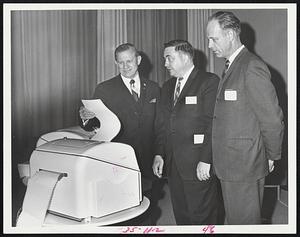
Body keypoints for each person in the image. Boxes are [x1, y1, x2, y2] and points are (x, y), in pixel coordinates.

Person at [206, 11, 284, 224]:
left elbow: (272, 118)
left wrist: (271, 155)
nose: (210, 45)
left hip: (244, 165)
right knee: (235, 220)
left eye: (214, 38)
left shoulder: (251, 66)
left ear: (230, 34)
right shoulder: (233, 65)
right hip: (231, 164)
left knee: (244, 223)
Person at [79, 43, 162, 225]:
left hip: (148, 162)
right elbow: (92, 125)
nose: (125, 66)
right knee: (122, 213)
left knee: (148, 210)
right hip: (117, 163)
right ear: (116, 63)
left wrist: (160, 154)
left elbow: (160, 126)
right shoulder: (104, 89)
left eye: (129, 61)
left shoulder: (155, 88)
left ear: (138, 60)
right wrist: (85, 117)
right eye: (121, 62)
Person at [152, 39, 221, 225]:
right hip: (174, 165)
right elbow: (162, 125)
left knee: (202, 216)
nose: (165, 64)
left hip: (199, 162)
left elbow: (212, 124)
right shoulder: (167, 87)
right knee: (181, 215)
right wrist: (159, 154)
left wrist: (206, 159)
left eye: (169, 58)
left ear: (185, 57)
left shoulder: (208, 81)